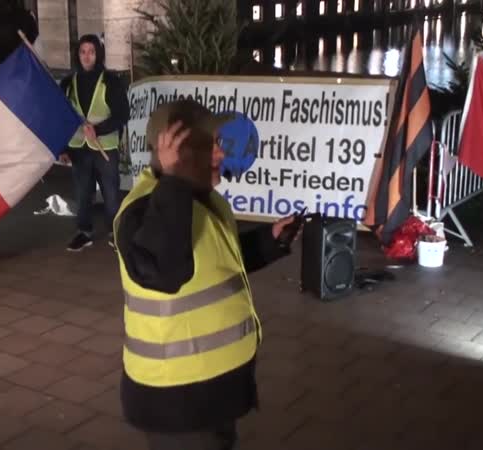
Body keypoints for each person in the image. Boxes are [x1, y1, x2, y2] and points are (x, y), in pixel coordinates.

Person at [114, 99, 302, 450]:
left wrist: (270, 241)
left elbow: (218, 264)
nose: (220, 152)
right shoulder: (143, 209)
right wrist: (174, 181)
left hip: (209, 393)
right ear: (180, 152)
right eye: (209, 144)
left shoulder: (201, 200)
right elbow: (165, 271)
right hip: (178, 402)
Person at [59, 34, 129, 251]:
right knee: (82, 192)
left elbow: (122, 114)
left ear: (98, 54)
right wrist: (63, 148)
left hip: (105, 146)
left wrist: (98, 129)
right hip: (79, 148)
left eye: (91, 51)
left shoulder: (111, 81)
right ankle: (84, 231)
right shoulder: (68, 83)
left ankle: (115, 232)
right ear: (77, 55)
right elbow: (61, 117)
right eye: (82, 52)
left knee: (110, 192)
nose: (86, 56)